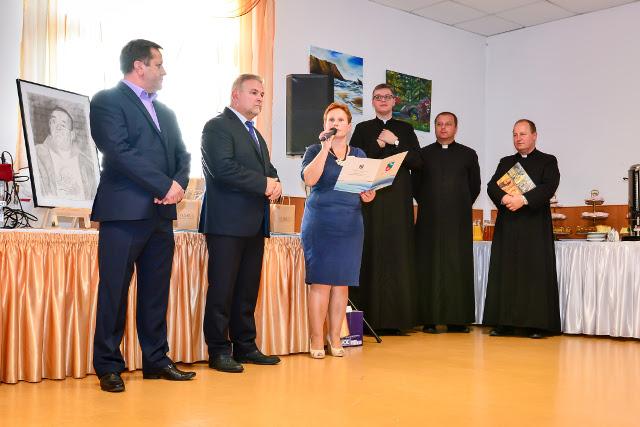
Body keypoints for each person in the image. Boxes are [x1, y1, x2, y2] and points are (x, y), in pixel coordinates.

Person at [90, 39, 193, 392]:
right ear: (139, 66)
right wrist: (164, 185)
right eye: (159, 64)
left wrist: (177, 186)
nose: (164, 71)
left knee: (155, 292)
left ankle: (156, 360)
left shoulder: (166, 112)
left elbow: (183, 155)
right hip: (123, 213)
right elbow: (118, 152)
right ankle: (108, 365)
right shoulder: (107, 100)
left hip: (161, 215)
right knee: (114, 291)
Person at [199, 74, 282, 373]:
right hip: (226, 223)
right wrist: (264, 183)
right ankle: (219, 351)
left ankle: (246, 346)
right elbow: (223, 169)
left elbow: (269, 169)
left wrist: (277, 183)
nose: (260, 98)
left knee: (247, 291)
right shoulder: (217, 126)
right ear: (236, 95)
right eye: (254, 92)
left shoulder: (256, 135)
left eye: (262, 94)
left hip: (254, 223)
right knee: (222, 291)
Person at [301, 102, 375, 359]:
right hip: (320, 223)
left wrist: (369, 195)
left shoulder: (359, 154)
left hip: (350, 224)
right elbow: (309, 179)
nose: (335, 123)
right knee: (321, 283)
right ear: (325, 125)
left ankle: (335, 337)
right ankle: (316, 338)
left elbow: (367, 190)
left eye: (340, 120)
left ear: (349, 126)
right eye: (331, 119)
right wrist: (325, 148)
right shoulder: (314, 150)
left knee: (342, 284)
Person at [348, 84, 421, 335]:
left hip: (398, 202)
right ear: (372, 101)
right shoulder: (362, 129)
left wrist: (396, 142)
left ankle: (398, 320)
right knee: (369, 252)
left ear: (394, 101)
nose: (383, 100)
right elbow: (354, 162)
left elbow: (417, 161)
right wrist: (378, 145)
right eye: (378, 97)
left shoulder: (406, 129)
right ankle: (366, 321)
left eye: (387, 97)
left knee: (397, 254)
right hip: (371, 200)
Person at [483, 119, 561, 339]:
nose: (518, 138)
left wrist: (523, 200)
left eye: (523, 134)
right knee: (506, 272)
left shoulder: (548, 161)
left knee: (535, 272)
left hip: (535, 226)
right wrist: (506, 198)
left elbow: (549, 187)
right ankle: (504, 323)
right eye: (515, 134)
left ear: (534, 135)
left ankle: (537, 324)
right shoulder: (506, 162)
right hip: (508, 226)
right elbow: (491, 186)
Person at [414, 112, 481, 334]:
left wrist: (457, 203)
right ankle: (429, 319)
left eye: (448, 124)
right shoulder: (423, 155)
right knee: (428, 267)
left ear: (455, 128)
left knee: (457, 266)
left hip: (458, 221)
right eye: (439, 124)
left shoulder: (468, 155)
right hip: (429, 220)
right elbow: (416, 187)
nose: (443, 128)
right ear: (435, 127)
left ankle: (458, 320)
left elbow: (474, 187)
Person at [35, 106, 97, 200]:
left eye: (63, 125)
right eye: (54, 122)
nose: (58, 127)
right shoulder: (37, 155)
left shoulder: (88, 165)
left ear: (72, 135)